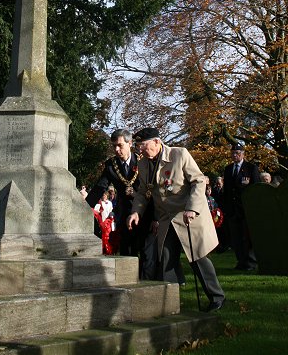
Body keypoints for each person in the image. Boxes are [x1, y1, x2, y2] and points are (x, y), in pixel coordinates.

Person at [127, 127, 225, 312]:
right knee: (166, 258)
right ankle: (170, 303)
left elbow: (198, 180)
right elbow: (142, 192)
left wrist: (193, 209)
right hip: (166, 219)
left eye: (143, 145)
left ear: (157, 142)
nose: (140, 150)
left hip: (187, 215)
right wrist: (136, 212)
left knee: (198, 258)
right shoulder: (143, 164)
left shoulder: (180, 154)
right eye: (138, 146)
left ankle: (216, 297)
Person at [86, 128, 150, 258]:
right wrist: (85, 206)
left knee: (144, 251)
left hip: (144, 211)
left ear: (130, 143)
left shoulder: (142, 161)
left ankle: (144, 277)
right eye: (114, 146)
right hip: (124, 212)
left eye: (120, 145)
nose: (116, 150)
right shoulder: (111, 165)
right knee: (125, 249)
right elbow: (100, 187)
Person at [223, 141, 260, 271]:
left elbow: (256, 189)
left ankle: (251, 262)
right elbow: (227, 191)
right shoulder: (228, 169)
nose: (235, 155)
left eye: (237, 153)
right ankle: (241, 261)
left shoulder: (251, 168)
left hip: (246, 209)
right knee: (237, 238)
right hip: (233, 210)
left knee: (248, 237)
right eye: (233, 153)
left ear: (243, 154)